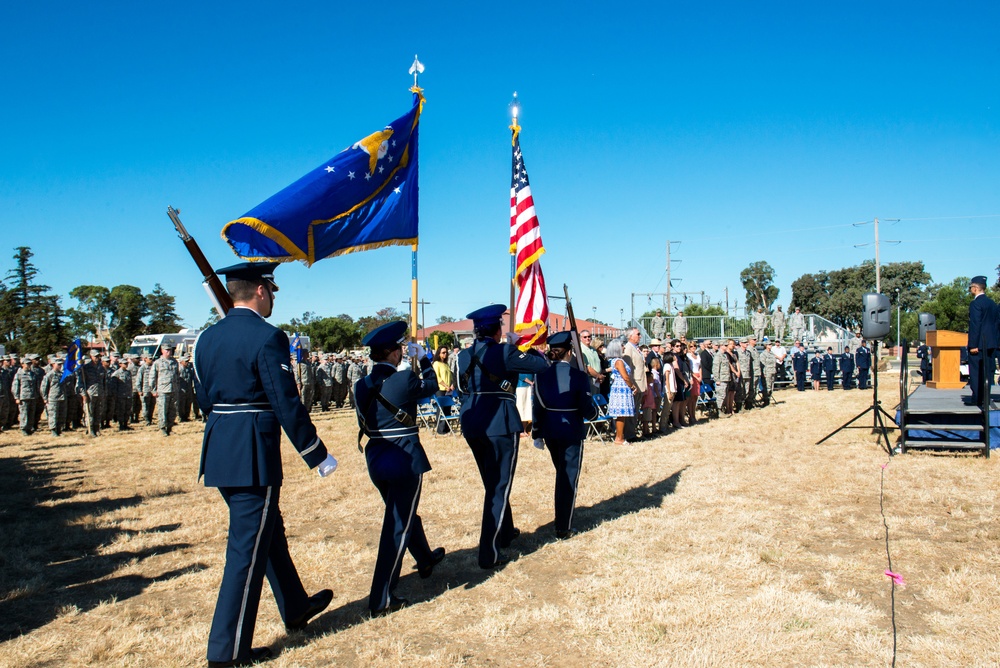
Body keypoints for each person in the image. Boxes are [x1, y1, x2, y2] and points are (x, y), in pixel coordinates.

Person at [194, 262, 337, 667]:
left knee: (266, 532)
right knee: (245, 552)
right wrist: (315, 452)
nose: (274, 297)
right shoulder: (267, 336)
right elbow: (284, 401)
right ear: (260, 291)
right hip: (251, 455)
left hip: (221, 448)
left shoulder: (206, 338)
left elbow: (205, 398)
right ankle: (227, 652)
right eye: (272, 290)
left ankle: (295, 605)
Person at [355, 321, 445, 616]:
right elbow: (432, 387)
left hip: (376, 456)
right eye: (400, 348)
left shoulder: (360, 385)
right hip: (403, 456)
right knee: (397, 525)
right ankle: (381, 597)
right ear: (392, 353)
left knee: (402, 514)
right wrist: (425, 359)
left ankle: (424, 556)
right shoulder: (404, 378)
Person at [457, 304, 548, 570]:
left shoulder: (463, 355)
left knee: (492, 482)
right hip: (499, 421)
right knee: (498, 486)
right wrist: (524, 345)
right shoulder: (505, 351)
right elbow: (540, 365)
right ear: (497, 329)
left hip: (472, 421)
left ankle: (505, 531)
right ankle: (489, 551)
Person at [532, 331, 598, 539]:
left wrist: (537, 431)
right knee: (568, 477)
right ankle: (563, 526)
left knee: (562, 474)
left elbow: (537, 406)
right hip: (570, 430)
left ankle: (562, 520)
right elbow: (586, 407)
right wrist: (594, 414)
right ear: (569, 352)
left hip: (550, 430)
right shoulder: (578, 376)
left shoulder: (541, 375)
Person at [967, 275, 999, 407]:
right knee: (988, 371)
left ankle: (977, 398)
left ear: (975, 288)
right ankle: (986, 396)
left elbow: (975, 324)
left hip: (979, 344)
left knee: (976, 371)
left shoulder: (976, 304)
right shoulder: (992, 303)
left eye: (971, 287)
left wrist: (973, 344)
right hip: (991, 343)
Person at [604, 338, 636, 444]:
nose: (624, 347)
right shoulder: (619, 361)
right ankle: (619, 438)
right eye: (622, 345)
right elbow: (625, 377)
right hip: (621, 389)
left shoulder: (615, 361)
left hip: (620, 388)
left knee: (622, 415)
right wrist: (632, 386)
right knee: (620, 414)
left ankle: (620, 436)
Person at [622, 328, 647, 439]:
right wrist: (632, 385)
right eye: (638, 334)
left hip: (640, 382)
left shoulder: (636, 348)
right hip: (634, 384)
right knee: (632, 410)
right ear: (630, 336)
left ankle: (633, 431)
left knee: (636, 409)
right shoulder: (628, 349)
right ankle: (629, 434)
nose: (640, 336)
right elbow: (628, 369)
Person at [150, 344, 180, 436]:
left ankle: (169, 427)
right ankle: (162, 428)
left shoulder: (174, 362)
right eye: (166, 350)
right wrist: (153, 390)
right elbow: (152, 377)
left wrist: (177, 388)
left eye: (170, 350)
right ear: (162, 351)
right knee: (162, 410)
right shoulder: (158, 363)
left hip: (173, 390)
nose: (169, 352)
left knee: (172, 410)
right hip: (163, 390)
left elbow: (177, 376)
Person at [12, 357, 38, 436]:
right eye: (27, 364)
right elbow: (15, 386)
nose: (28, 365)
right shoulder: (19, 374)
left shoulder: (33, 373)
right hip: (23, 397)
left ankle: (29, 428)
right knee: (24, 414)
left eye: (30, 363)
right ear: (22, 364)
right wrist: (17, 397)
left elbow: (36, 386)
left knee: (31, 413)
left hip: (32, 396)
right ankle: (23, 428)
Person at [432, 345, 455, 434]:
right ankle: (440, 429)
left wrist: (452, 385)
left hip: (449, 390)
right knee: (441, 409)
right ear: (439, 353)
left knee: (447, 409)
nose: (445, 354)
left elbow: (451, 376)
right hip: (441, 389)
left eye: (446, 352)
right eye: (443, 352)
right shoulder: (436, 364)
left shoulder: (446, 364)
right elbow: (437, 377)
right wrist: (445, 386)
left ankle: (447, 428)